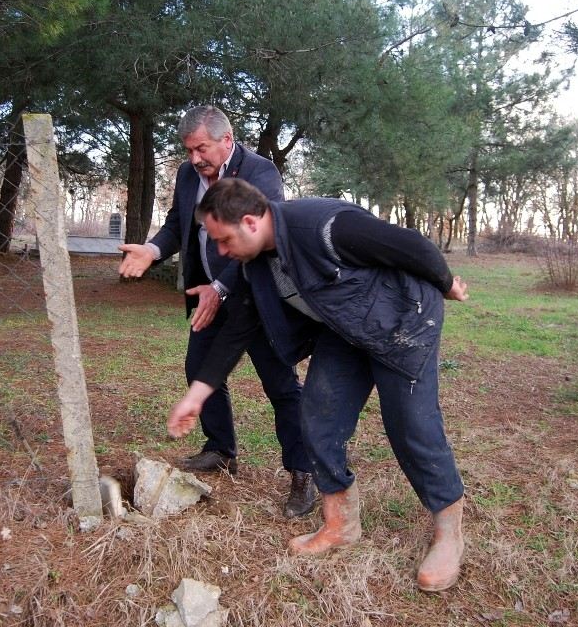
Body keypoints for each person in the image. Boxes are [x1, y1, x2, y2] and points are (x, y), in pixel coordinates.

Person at [166, 178, 469, 592]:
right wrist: (197, 395)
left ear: (251, 222)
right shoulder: (255, 263)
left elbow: (414, 247)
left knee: (411, 426)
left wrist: (447, 283)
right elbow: (237, 329)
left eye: (223, 240)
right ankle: (340, 523)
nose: (220, 252)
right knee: (317, 417)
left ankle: (448, 531)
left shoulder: (324, 226)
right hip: (346, 331)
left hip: (403, 323)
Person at [118, 106, 316, 518]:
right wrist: (152, 250)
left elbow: (257, 241)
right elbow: (178, 225)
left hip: (255, 300)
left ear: (227, 140)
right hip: (206, 299)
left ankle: (302, 472)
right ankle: (221, 449)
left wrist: (221, 286)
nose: (194, 159)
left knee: (280, 385)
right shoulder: (188, 175)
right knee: (200, 369)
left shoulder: (260, 172)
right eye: (189, 150)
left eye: (201, 149)